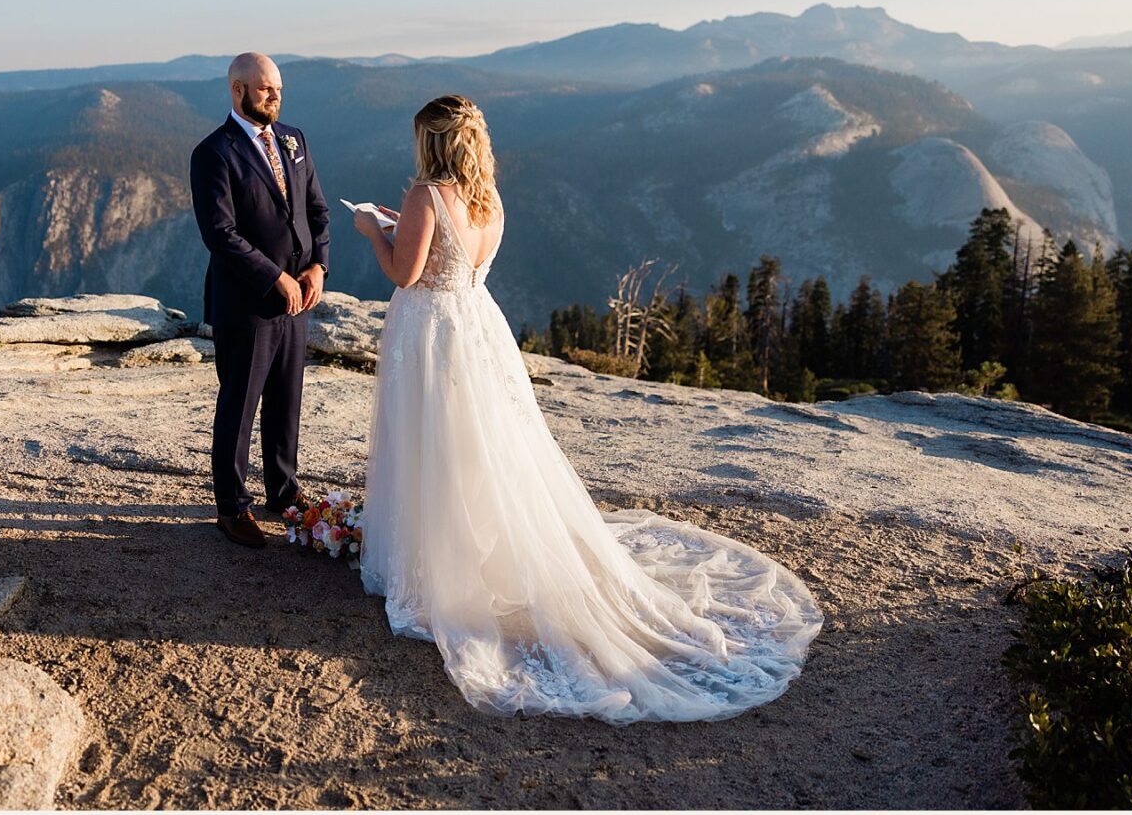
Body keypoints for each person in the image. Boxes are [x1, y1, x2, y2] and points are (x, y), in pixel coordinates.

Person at [351, 93, 821, 724]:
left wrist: (372, 233)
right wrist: (399, 227)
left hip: (432, 334)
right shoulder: (488, 198)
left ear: (430, 143)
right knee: (482, 446)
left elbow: (405, 274)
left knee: (434, 443)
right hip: (478, 328)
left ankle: (440, 567)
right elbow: (454, 261)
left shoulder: (423, 197)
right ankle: (483, 550)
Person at [189, 53, 329, 548]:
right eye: (265, 89)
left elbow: (317, 212)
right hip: (245, 302)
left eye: (279, 90)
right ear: (237, 90)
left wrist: (317, 267)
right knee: (240, 404)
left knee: (287, 400)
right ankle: (231, 507)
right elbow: (220, 235)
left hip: (297, 298)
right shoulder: (214, 153)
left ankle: (284, 494)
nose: (275, 97)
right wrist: (275, 278)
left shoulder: (294, 140)